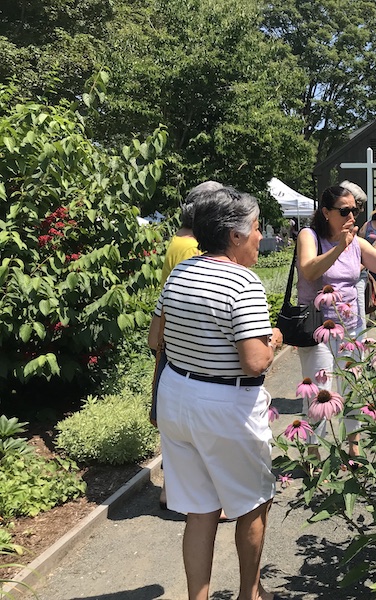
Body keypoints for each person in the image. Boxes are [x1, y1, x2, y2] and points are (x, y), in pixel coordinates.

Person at [148, 186, 283, 600]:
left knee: (200, 508)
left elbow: (157, 338)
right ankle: (250, 594)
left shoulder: (180, 273)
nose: (262, 237)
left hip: (178, 394)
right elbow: (255, 361)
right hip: (226, 405)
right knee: (253, 501)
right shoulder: (243, 283)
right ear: (236, 235)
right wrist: (275, 338)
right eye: (258, 228)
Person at [293, 186, 376, 458]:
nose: (351, 215)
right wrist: (340, 246)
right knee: (320, 391)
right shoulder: (310, 236)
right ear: (326, 213)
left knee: (352, 387)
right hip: (318, 328)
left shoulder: (357, 242)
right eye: (344, 211)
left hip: (351, 327)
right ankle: (314, 452)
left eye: (355, 210)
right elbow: (308, 270)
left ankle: (353, 446)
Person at [157, 180, 226, 518]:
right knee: (197, 429)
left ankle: (170, 491)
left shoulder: (175, 242)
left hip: (173, 338)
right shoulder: (194, 249)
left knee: (174, 427)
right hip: (192, 343)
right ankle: (195, 499)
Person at [339, 180, 368, 333]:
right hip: (349, 284)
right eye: (356, 209)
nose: (354, 216)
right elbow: (344, 268)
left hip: (358, 279)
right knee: (358, 321)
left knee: (358, 321)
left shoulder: (353, 232)